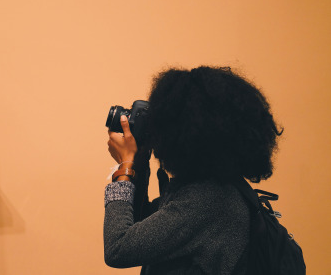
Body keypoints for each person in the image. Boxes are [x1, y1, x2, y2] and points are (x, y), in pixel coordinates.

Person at [104, 66, 282, 274]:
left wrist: (125, 167)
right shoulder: (211, 189)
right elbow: (141, 227)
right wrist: (139, 163)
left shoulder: (208, 201)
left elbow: (118, 247)